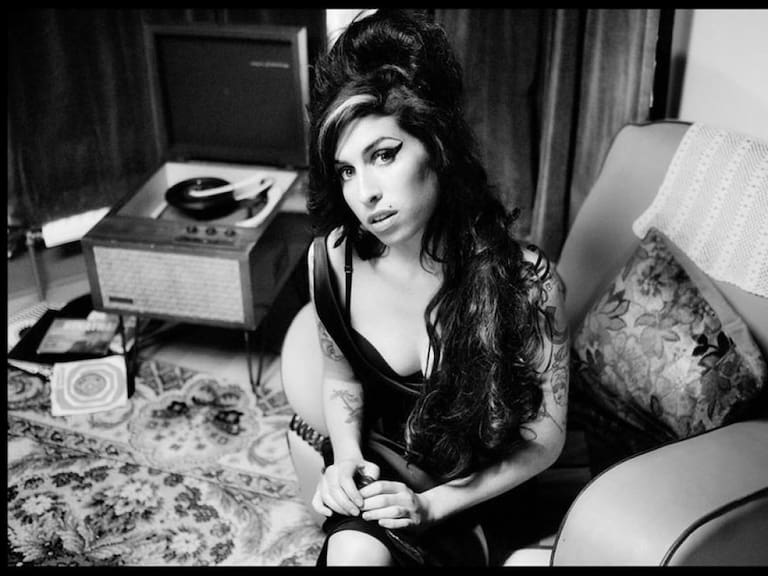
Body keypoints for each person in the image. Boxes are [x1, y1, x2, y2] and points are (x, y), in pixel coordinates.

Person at [304, 9, 569, 566]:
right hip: (383, 466)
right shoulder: (332, 261)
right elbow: (340, 378)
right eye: (346, 170)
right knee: (352, 553)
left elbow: (545, 440)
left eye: (383, 155)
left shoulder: (528, 282)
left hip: (477, 491)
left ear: (437, 146)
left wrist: (430, 506)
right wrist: (346, 457)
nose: (365, 193)